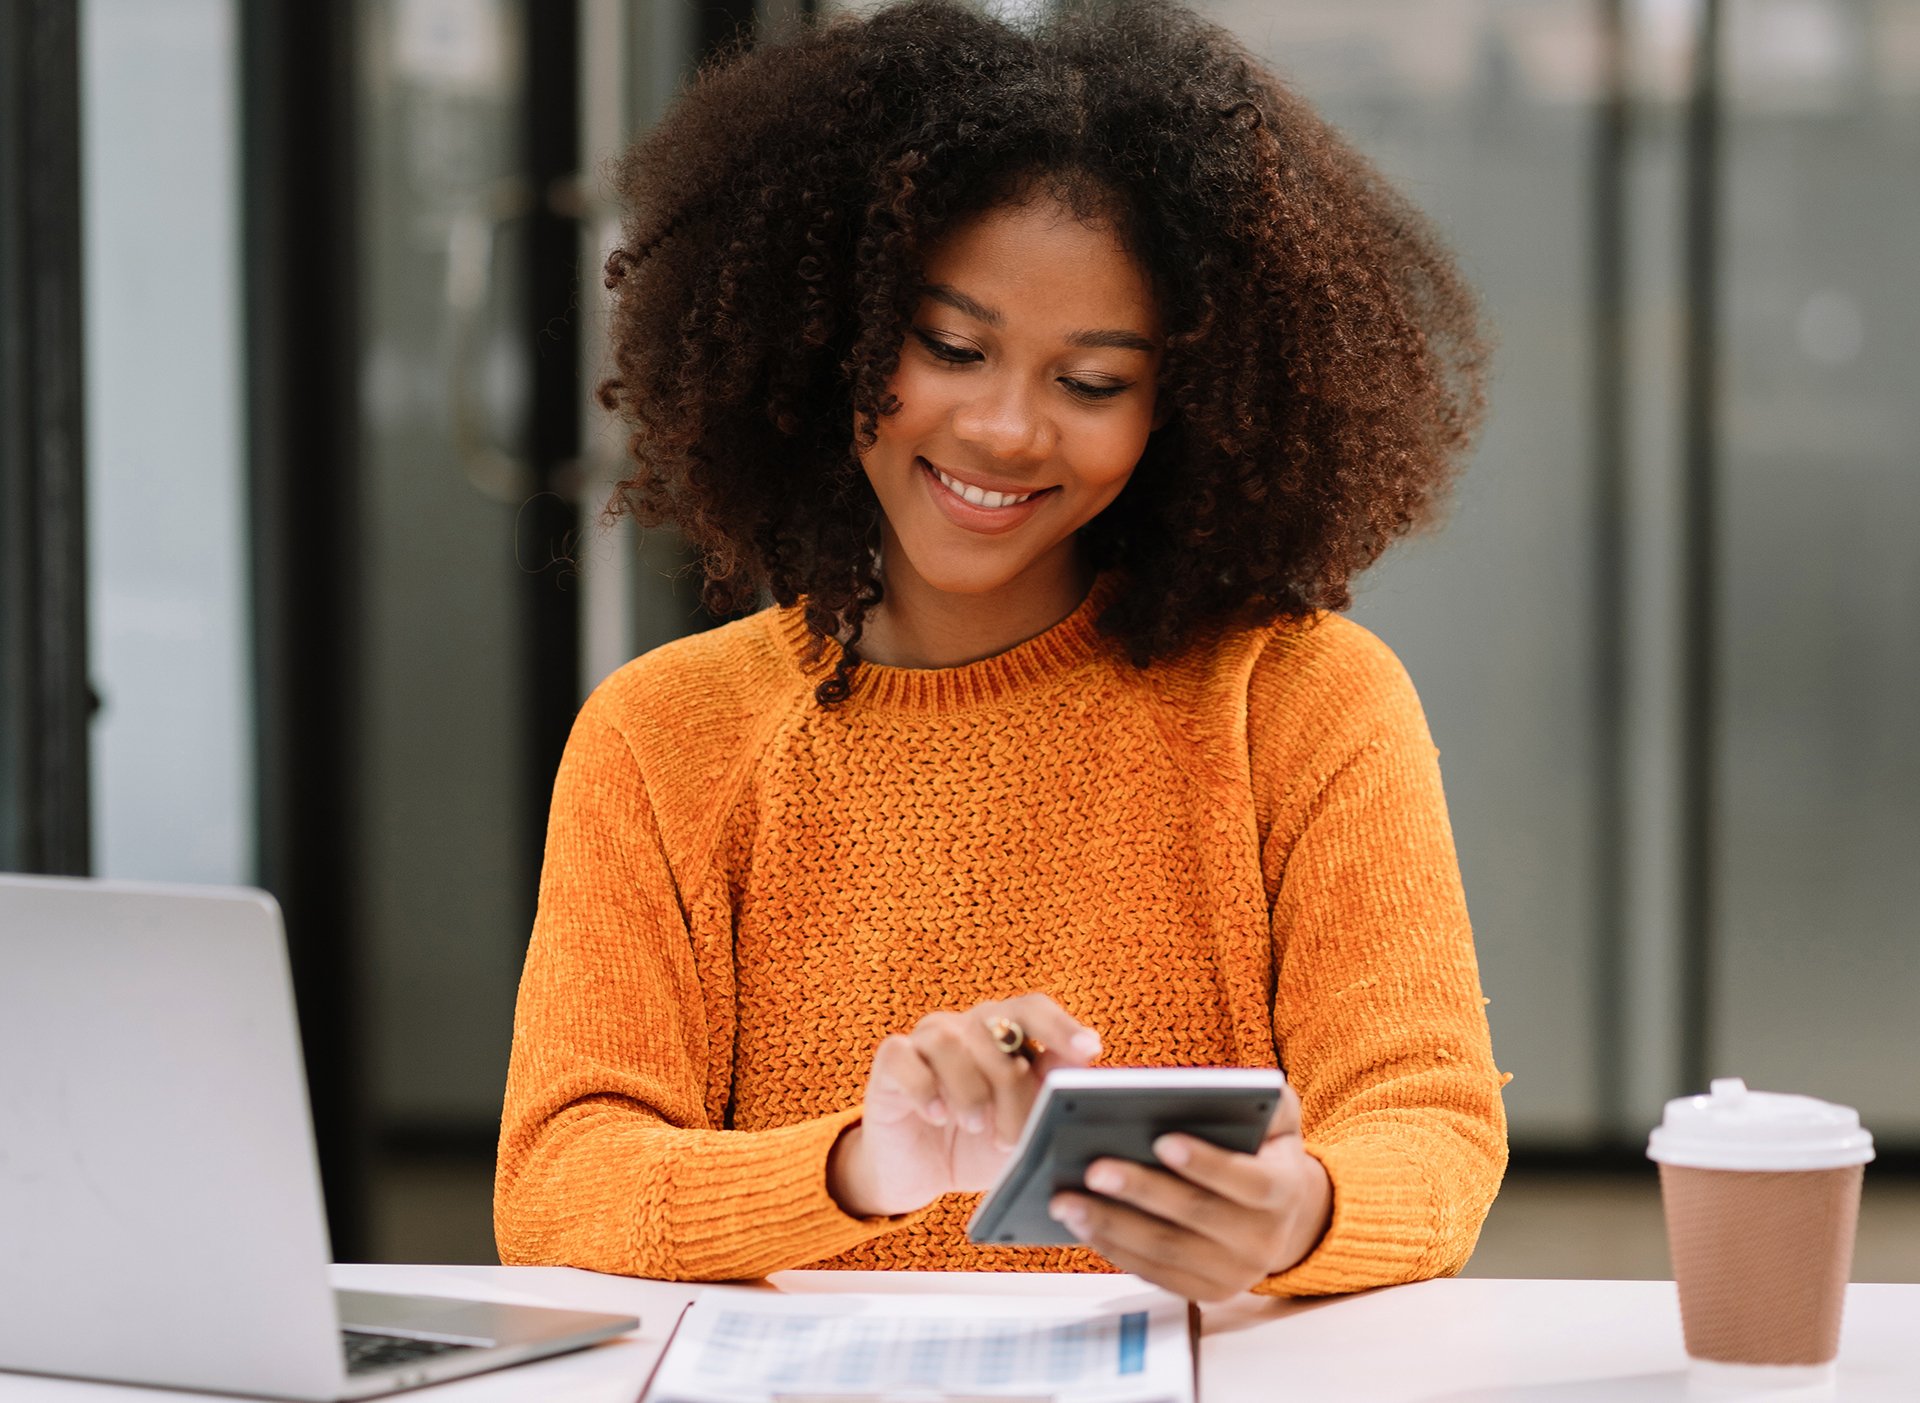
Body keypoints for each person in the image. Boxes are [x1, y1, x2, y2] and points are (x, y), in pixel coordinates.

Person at [495, 0, 1508, 1303]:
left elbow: (1429, 1120)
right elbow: (558, 1181)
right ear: (830, 329)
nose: (1006, 429)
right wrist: (866, 1166)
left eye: (1091, 383)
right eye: (953, 348)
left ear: (1185, 407)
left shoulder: (1298, 702)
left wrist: (1297, 1213)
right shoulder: (665, 735)